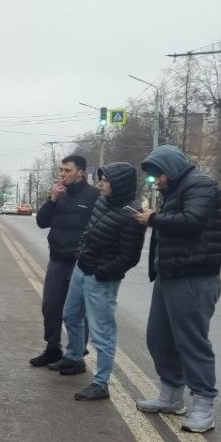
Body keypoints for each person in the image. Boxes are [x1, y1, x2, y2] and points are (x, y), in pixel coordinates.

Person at [130, 145, 221, 432]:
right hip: (170, 274)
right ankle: (171, 395)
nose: (155, 180)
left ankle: (203, 405)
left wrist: (153, 218)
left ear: (170, 167)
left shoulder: (201, 184)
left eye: (157, 174)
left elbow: (192, 221)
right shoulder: (176, 188)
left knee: (191, 343)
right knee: (158, 338)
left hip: (194, 276)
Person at [56, 163, 147, 400]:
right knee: (70, 315)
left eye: (105, 180)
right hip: (82, 268)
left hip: (101, 279)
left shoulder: (132, 213)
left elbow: (130, 257)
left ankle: (101, 383)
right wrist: (81, 254)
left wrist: (101, 272)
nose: (100, 184)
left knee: (102, 333)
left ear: (118, 184)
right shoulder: (102, 201)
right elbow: (90, 229)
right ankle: (75, 357)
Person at [31, 155, 99, 368]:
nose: (62, 174)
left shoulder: (94, 196)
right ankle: (52, 349)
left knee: (78, 311)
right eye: (60, 170)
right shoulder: (59, 195)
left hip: (82, 262)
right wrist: (52, 200)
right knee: (51, 306)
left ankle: (76, 352)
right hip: (58, 259)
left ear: (80, 173)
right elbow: (41, 222)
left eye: (66, 170)